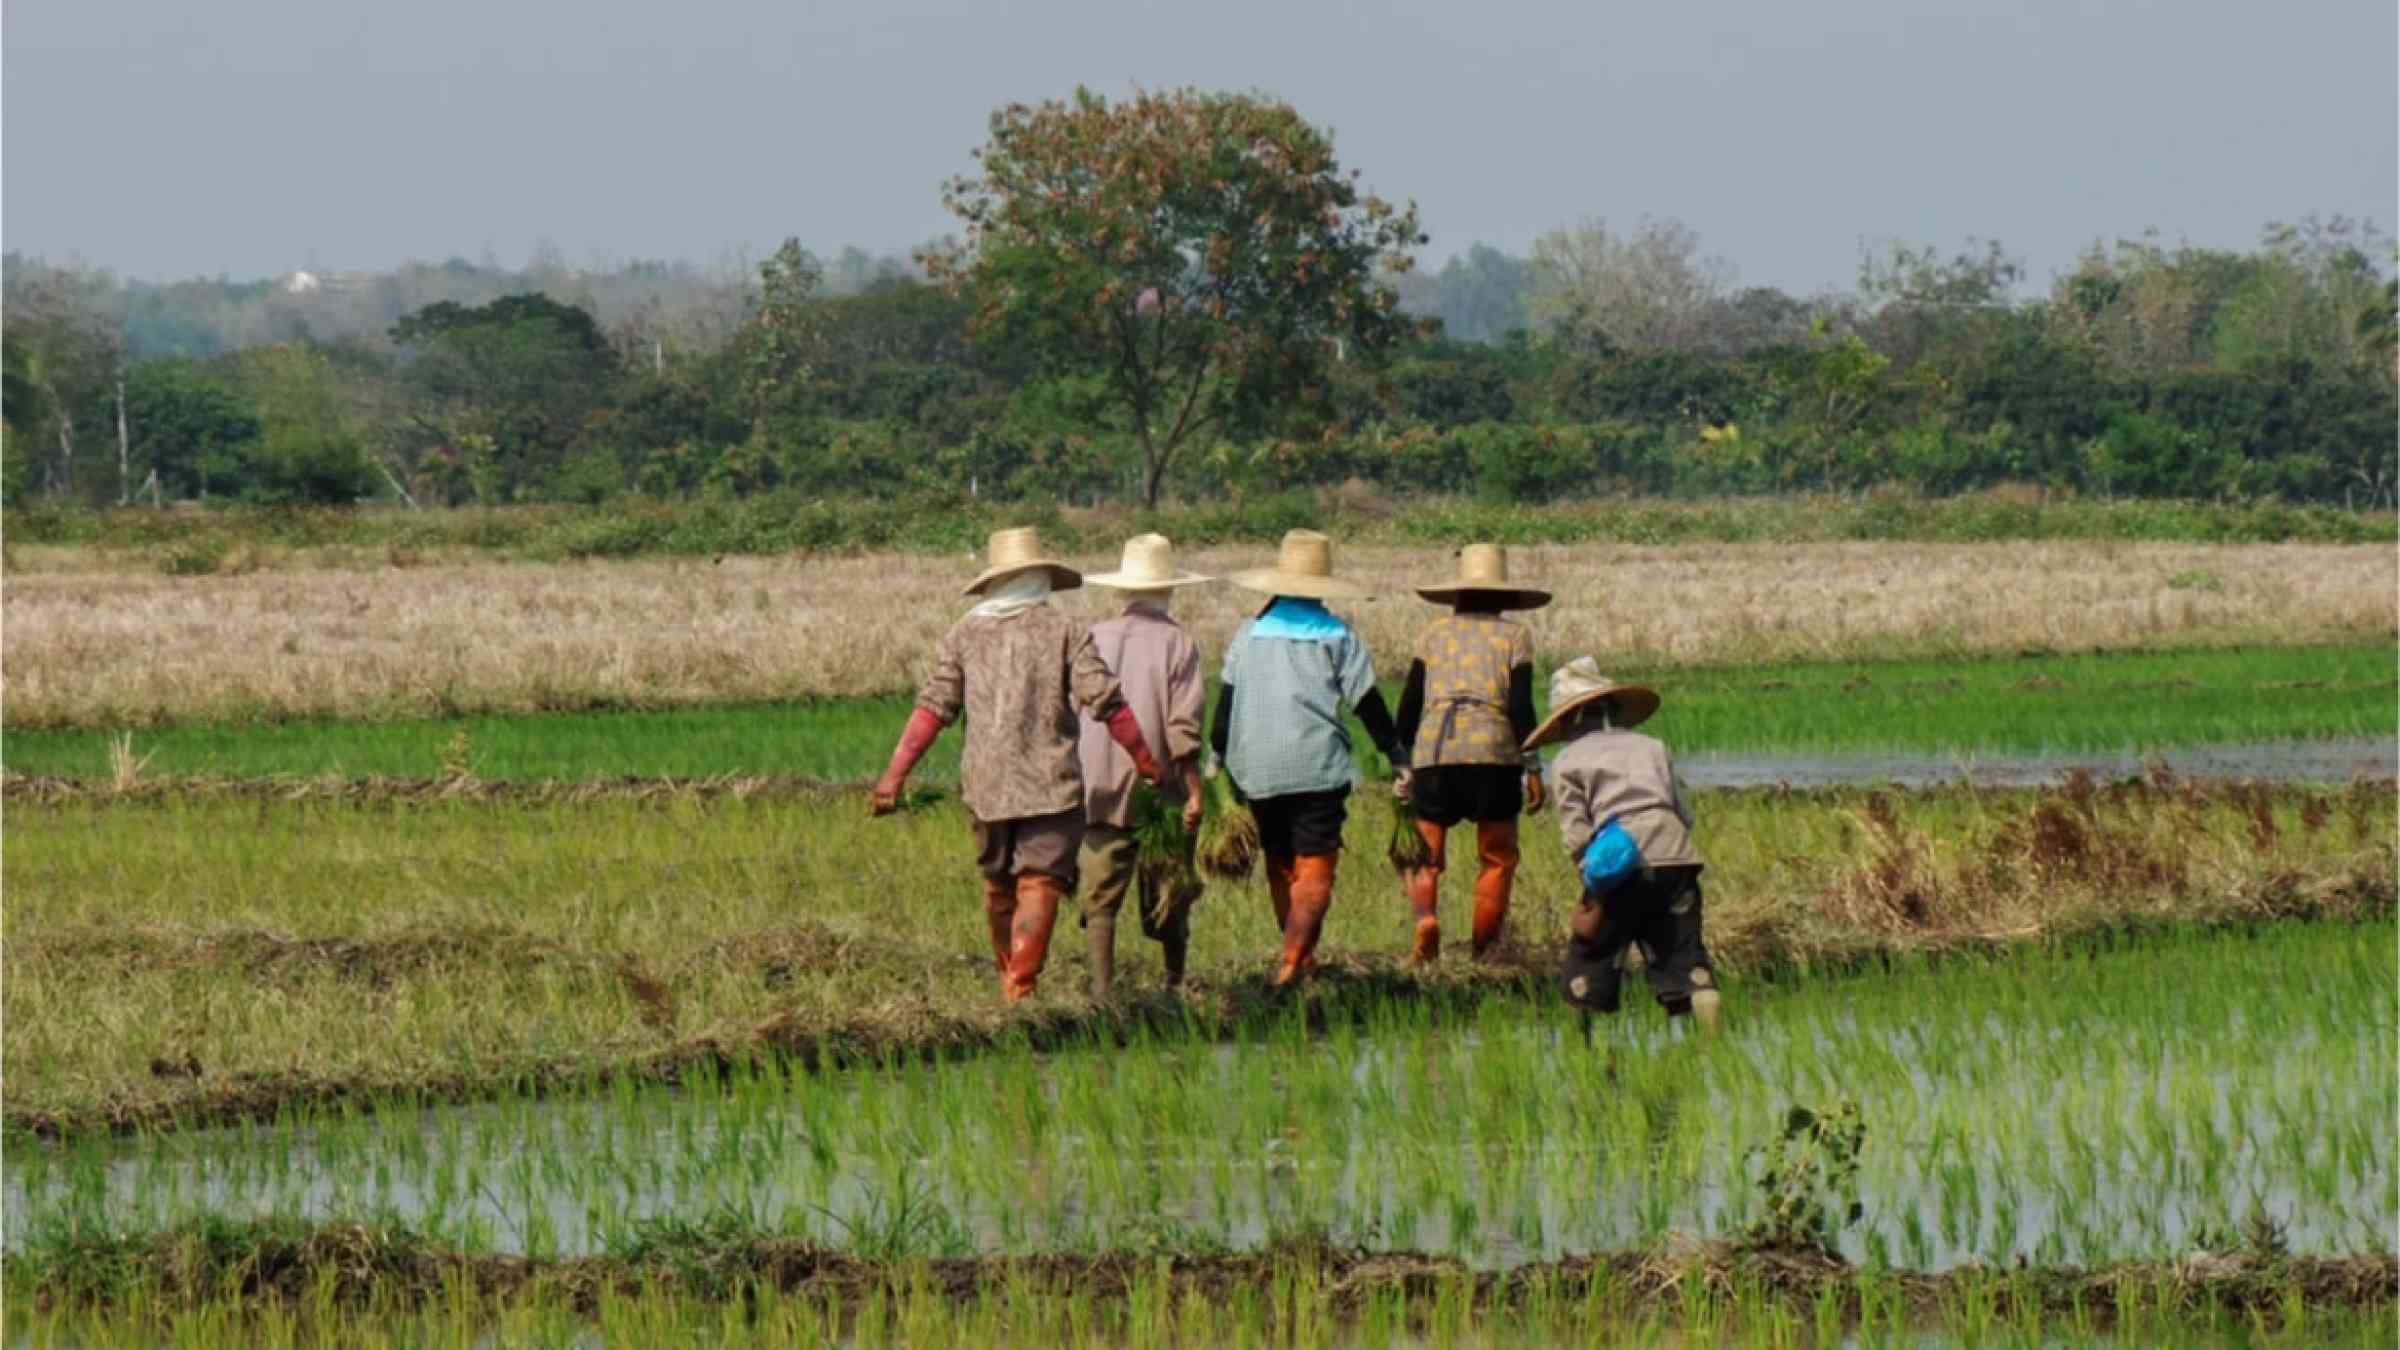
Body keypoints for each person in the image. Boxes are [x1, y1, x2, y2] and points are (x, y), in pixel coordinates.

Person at [871, 526, 1162, 1003]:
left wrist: (893, 777)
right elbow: (1105, 701)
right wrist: (1146, 761)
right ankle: (1019, 987)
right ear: (1040, 580)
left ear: (996, 581)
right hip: (1050, 785)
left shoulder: (965, 632)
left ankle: (1011, 983)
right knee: (1040, 882)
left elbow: (933, 707)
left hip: (985, 787)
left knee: (999, 887)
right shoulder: (1064, 631)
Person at [1210, 529, 1410, 987]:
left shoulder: (1249, 633)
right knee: (1314, 863)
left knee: (1280, 860)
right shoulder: (1336, 634)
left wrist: (1216, 758)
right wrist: (1397, 756)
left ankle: (1300, 957)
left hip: (1255, 767)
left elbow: (1227, 702)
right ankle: (1292, 960)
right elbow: (1366, 702)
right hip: (1316, 765)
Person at [1522, 658, 1721, 1031]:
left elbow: (1577, 835)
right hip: (1675, 857)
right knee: (1685, 954)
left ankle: (1578, 1053)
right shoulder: (1652, 747)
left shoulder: (1568, 761)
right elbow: (1684, 813)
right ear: (1611, 708)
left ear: (1572, 717)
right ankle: (1715, 1047)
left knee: (1590, 954)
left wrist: (1592, 894)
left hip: (1619, 865)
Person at [1392, 543, 1548, 964]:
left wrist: (1400, 760)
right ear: (1504, 597)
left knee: (1427, 856)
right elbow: (1520, 707)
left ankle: (1426, 922)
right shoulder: (1515, 636)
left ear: (1457, 595)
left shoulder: (1433, 635)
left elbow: (1408, 705)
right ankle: (1484, 949)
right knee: (1496, 857)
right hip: (1494, 754)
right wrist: (1532, 766)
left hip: (1435, 750)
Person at [1074, 534, 1212, 997]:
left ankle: (1101, 994)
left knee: (1099, 900)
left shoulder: (1091, 636)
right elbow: (1182, 727)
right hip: (1161, 788)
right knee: (1169, 892)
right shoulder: (1179, 643)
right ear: (1169, 590)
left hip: (1097, 784)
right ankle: (1175, 983)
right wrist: (1194, 789)